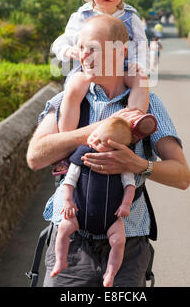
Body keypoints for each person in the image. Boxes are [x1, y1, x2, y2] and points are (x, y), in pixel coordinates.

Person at [27, 14, 190, 287]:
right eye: (81, 48)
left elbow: (182, 176)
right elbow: (36, 156)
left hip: (128, 242)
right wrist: (99, 128)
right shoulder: (65, 99)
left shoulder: (149, 105)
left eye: (93, 49)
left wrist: (137, 165)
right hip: (71, 243)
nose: (84, 56)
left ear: (121, 51)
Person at [52, 0, 155, 142]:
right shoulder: (82, 16)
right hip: (88, 70)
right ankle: (66, 139)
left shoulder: (130, 18)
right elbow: (62, 40)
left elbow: (141, 46)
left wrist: (139, 65)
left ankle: (133, 120)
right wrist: (67, 50)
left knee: (141, 80)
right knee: (74, 89)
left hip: (121, 70)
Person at [51, 116, 138, 287]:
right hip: (79, 214)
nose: (94, 141)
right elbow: (69, 181)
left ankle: (110, 273)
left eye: (101, 142)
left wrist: (125, 205)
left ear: (116, 148)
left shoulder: (120, 163)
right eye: (95, 135)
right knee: (63, 229)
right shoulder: (83, 155)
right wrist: (68, 202)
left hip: (111, 219)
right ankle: (60, 261)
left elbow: (130, 186)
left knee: (119, 242)